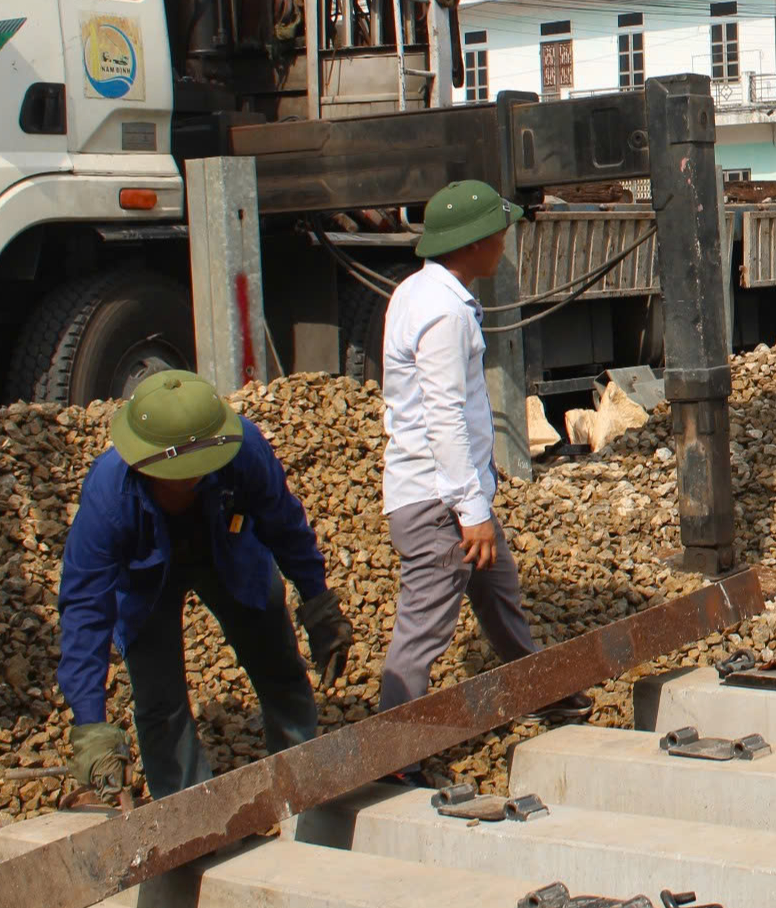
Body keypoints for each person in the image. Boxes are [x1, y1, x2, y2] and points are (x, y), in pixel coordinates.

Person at [58, 371, 353, 799]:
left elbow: (284, 525)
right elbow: (85, 608)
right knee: (160, 702)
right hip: (146, 579)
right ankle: (187, 813)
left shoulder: (243, 449)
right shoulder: (109, 496)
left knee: (279, 664)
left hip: (228, 549)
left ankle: (300, 782)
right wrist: (90, 726)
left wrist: (318, 600)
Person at [378, 179, 591, 725]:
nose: (505, 242)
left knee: (499, 595)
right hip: (437, 503)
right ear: (474, 242)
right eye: (500, 232)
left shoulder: (418, 293)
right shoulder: (445, 315)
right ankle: (394, 748)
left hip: (450, 492)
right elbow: (443, 416)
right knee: (424, 627)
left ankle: (539, 692)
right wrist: (471, 513)